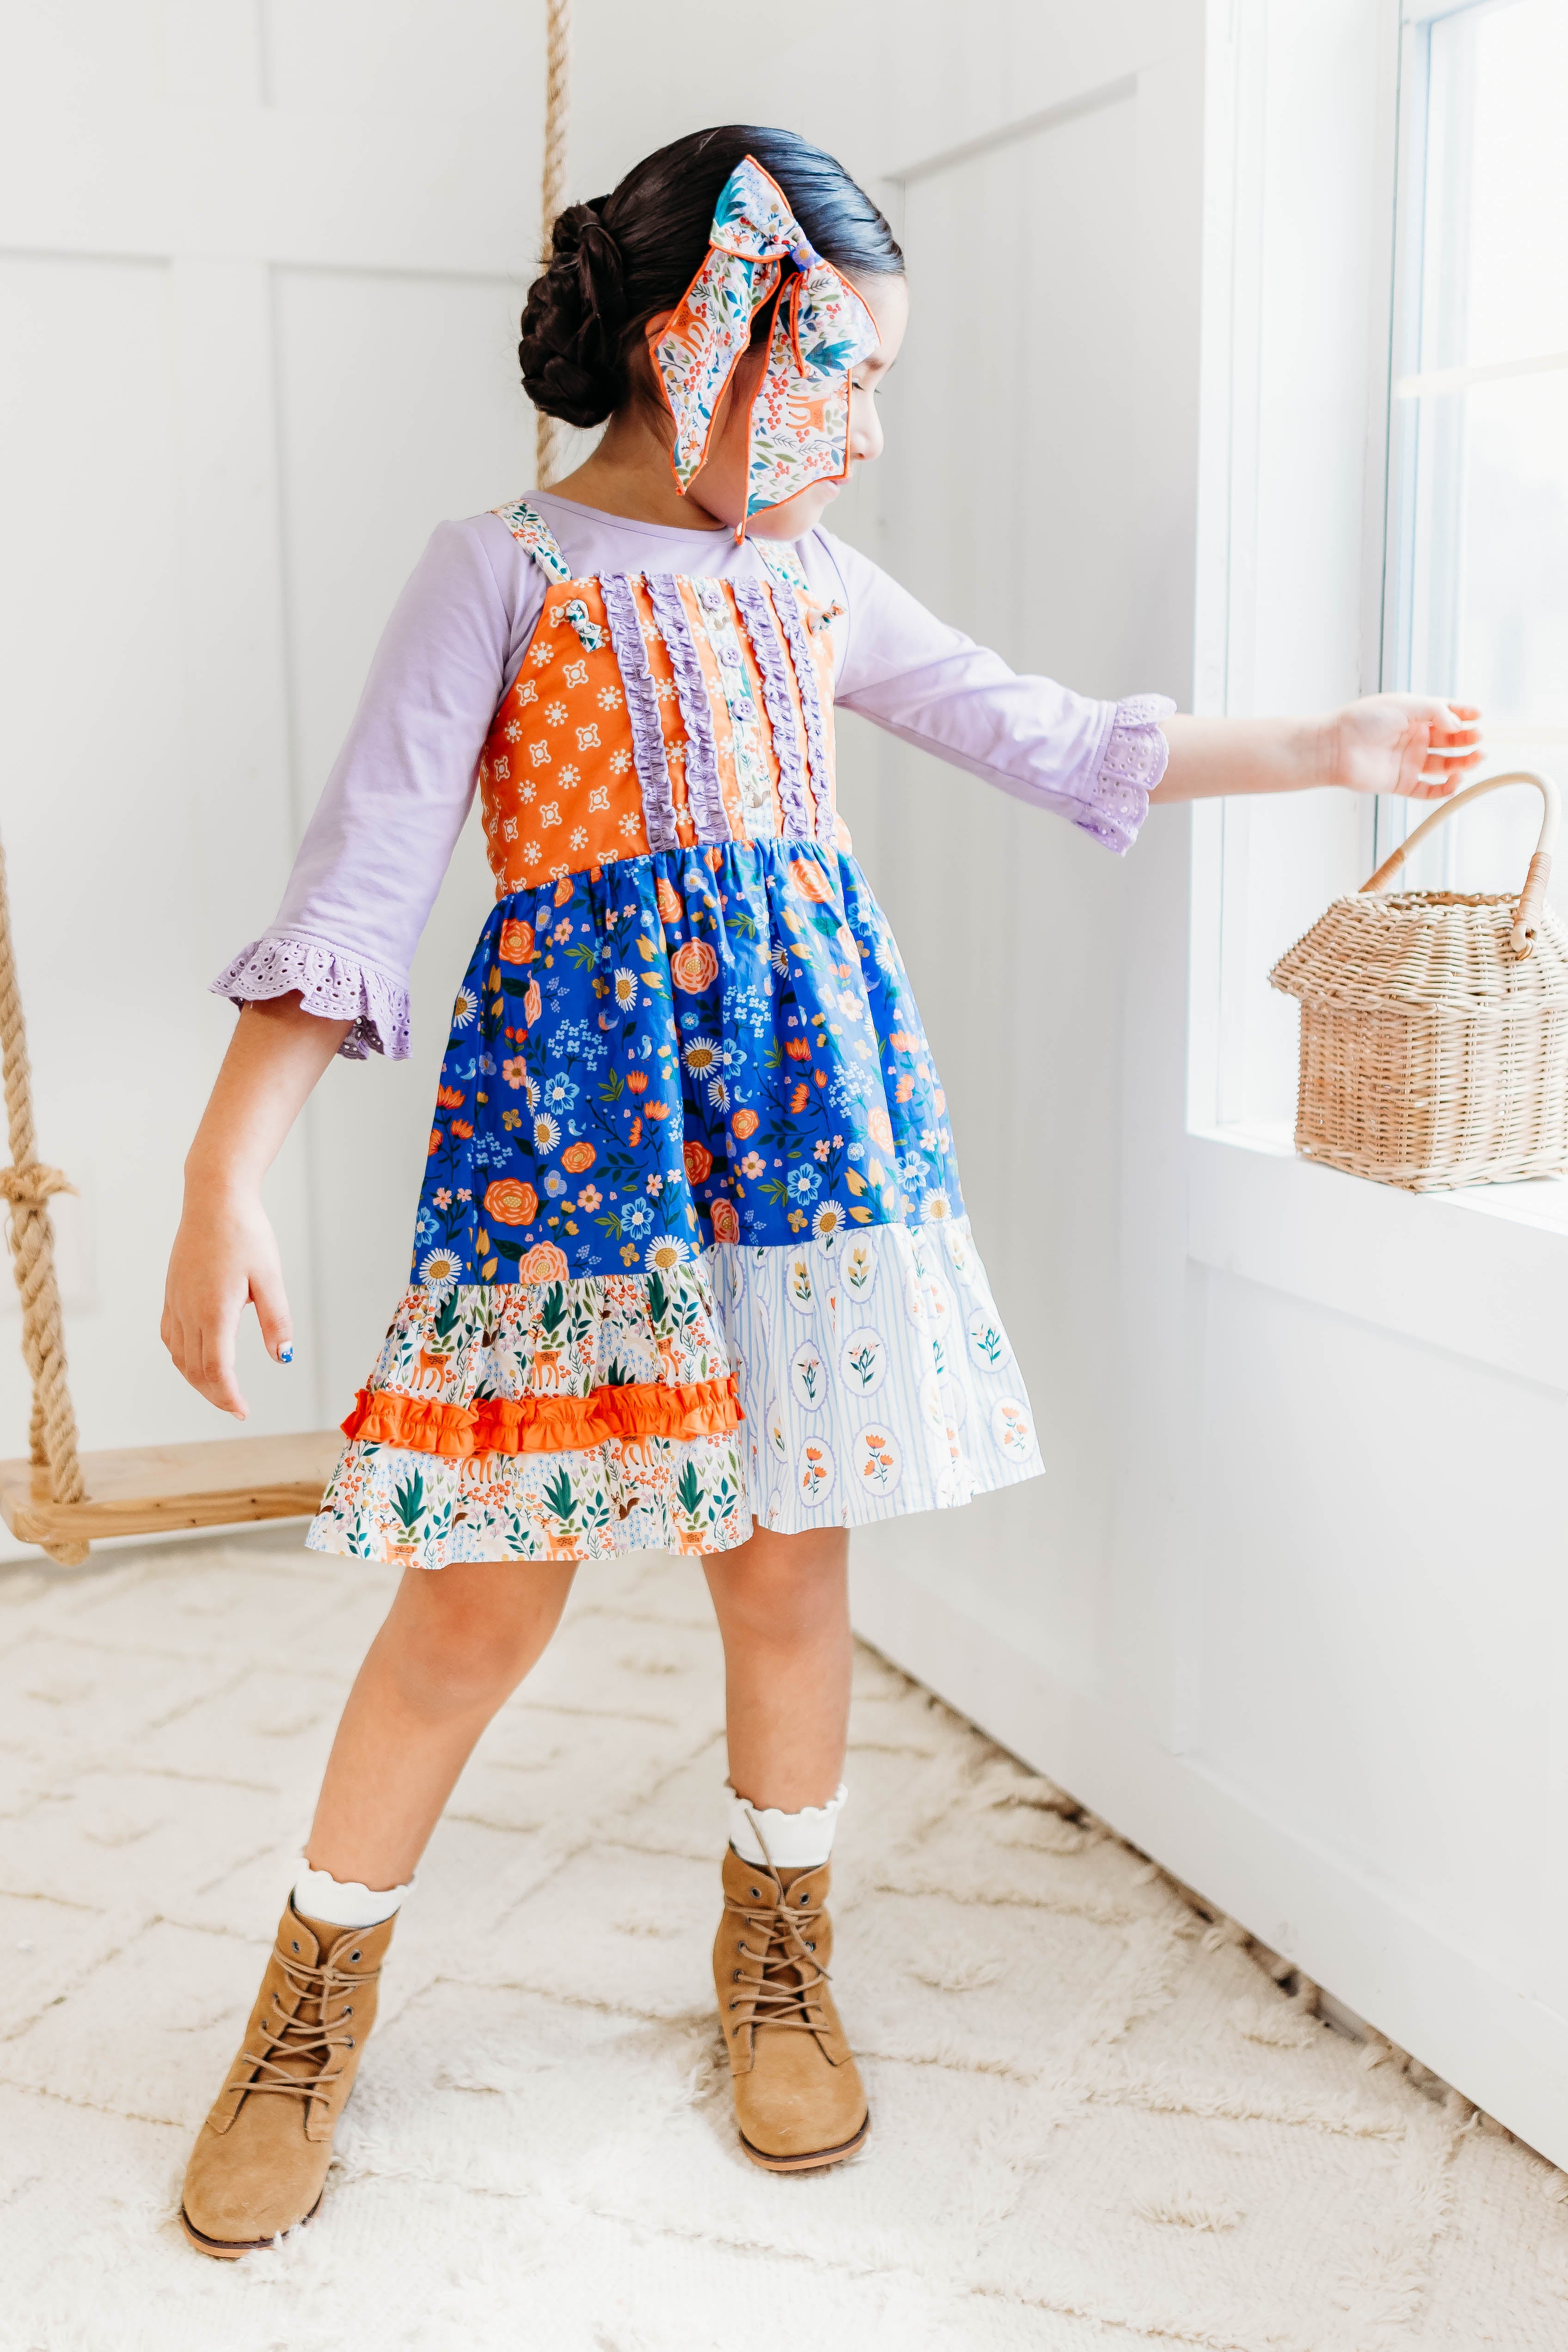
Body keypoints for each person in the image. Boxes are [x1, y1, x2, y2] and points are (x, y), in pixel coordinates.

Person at [162, 124, 1480, 2257]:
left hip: (796, 1147)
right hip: (570, 1172)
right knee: (476, 1603)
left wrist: (1324, 744)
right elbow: (360, 893)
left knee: (784, 1571)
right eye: (833, 375)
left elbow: (1047, 733)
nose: (858, 437)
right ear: (700, 340)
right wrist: (226, 1172)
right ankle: (307, 2007)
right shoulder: (497, 569)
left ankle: (776, 1953)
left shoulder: (809, 582)